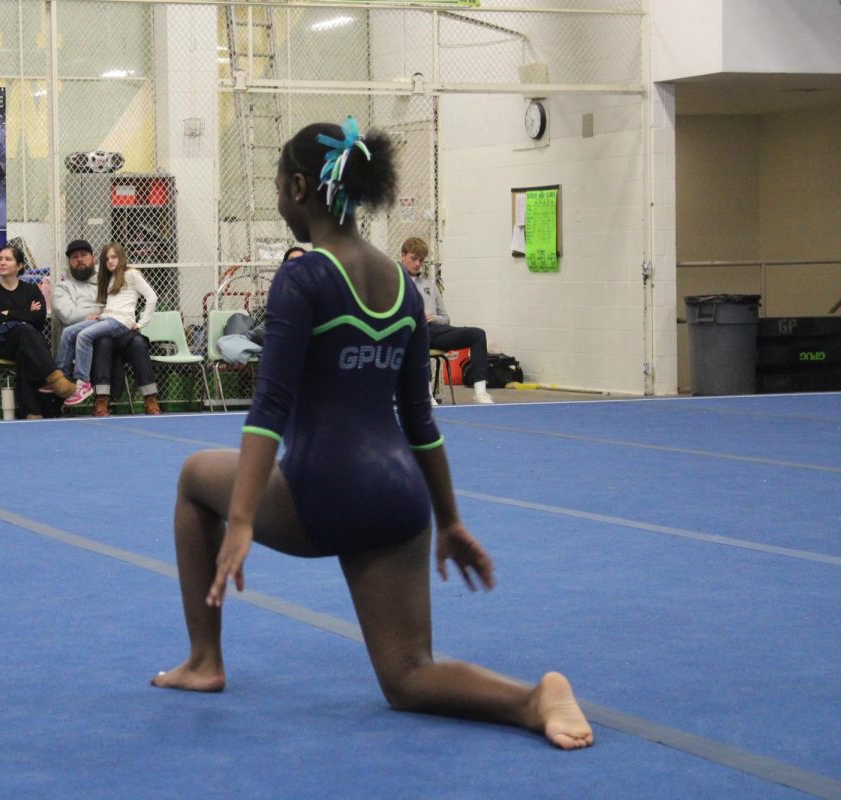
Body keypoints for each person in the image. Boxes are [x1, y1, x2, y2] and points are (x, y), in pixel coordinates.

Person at [151, 117, 593, 751]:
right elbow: (420, 420)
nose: (279, 200)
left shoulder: (302, 277)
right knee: (410, 676)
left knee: (196, 477)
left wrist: (242, 517)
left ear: (299, 186)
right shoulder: (402, 286)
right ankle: (533, 699)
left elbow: (270, 408)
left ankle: (204, 660)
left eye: (279, 186)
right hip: (400, 500)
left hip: (320, 495)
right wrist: (451, 520)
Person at [52, 239, 162, 417]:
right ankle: (97, 397)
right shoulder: (94, 280)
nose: (80, 260)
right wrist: (99, 313)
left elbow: (147, 297)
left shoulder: (123, 275)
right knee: (95, 340)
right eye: (74, 257)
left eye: (84, 255)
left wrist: (141, 322)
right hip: (105, 325)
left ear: (93, 258)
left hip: (121, 326)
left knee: (138, 344)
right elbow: (71, 314)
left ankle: (150, 398)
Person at [0, 243, 78, 418]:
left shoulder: (31, 290)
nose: (2, 262)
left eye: (8, 259)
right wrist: (25, 314)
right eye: (0, 259)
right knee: (26, 331)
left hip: (25, 344)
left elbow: (39, 318)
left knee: (25, 349)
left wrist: (9, 313)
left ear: (19, 266)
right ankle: (56, 379)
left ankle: (32, 412)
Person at [400, 237, 495, 404]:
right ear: (403, 255)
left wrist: (434, 318)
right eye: (413, 258)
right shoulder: (393, 282)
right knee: (420, 335)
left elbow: (445, 318)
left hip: (435, 330)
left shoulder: (429, 285)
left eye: (421, 260)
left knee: (477, 334)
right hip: (410, 332)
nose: (417, 264)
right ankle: (426, 394)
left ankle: (480, 392)